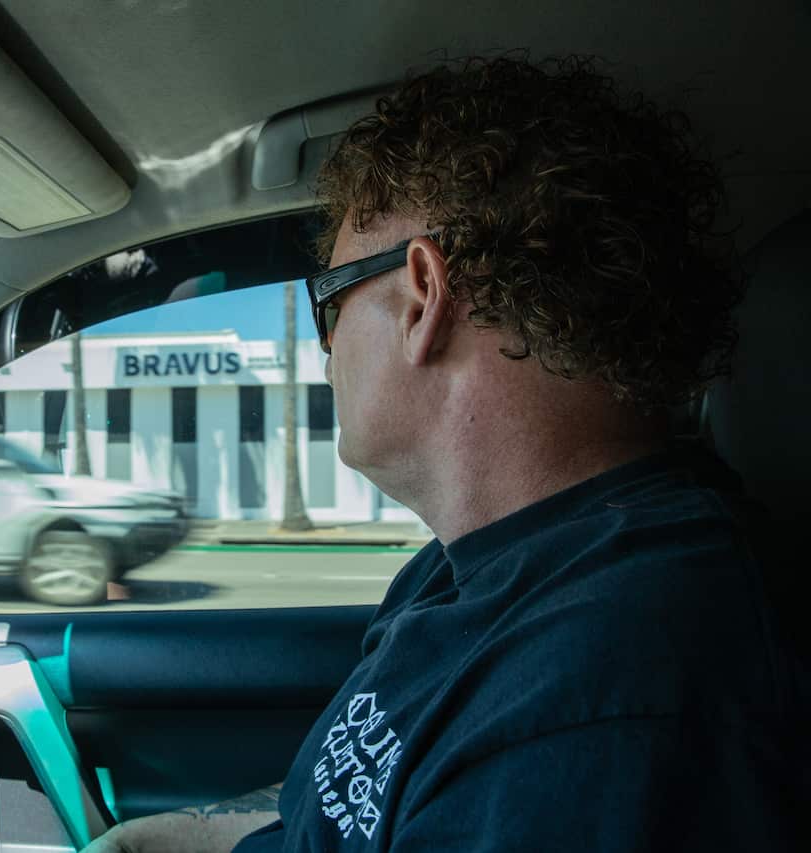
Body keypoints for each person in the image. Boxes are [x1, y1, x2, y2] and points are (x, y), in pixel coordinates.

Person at [82, 55, 807, 852]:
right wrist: (157, 841)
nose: (324, 350)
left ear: (422, 296)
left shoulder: (607, 704)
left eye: (330, 303)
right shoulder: (476, 567)